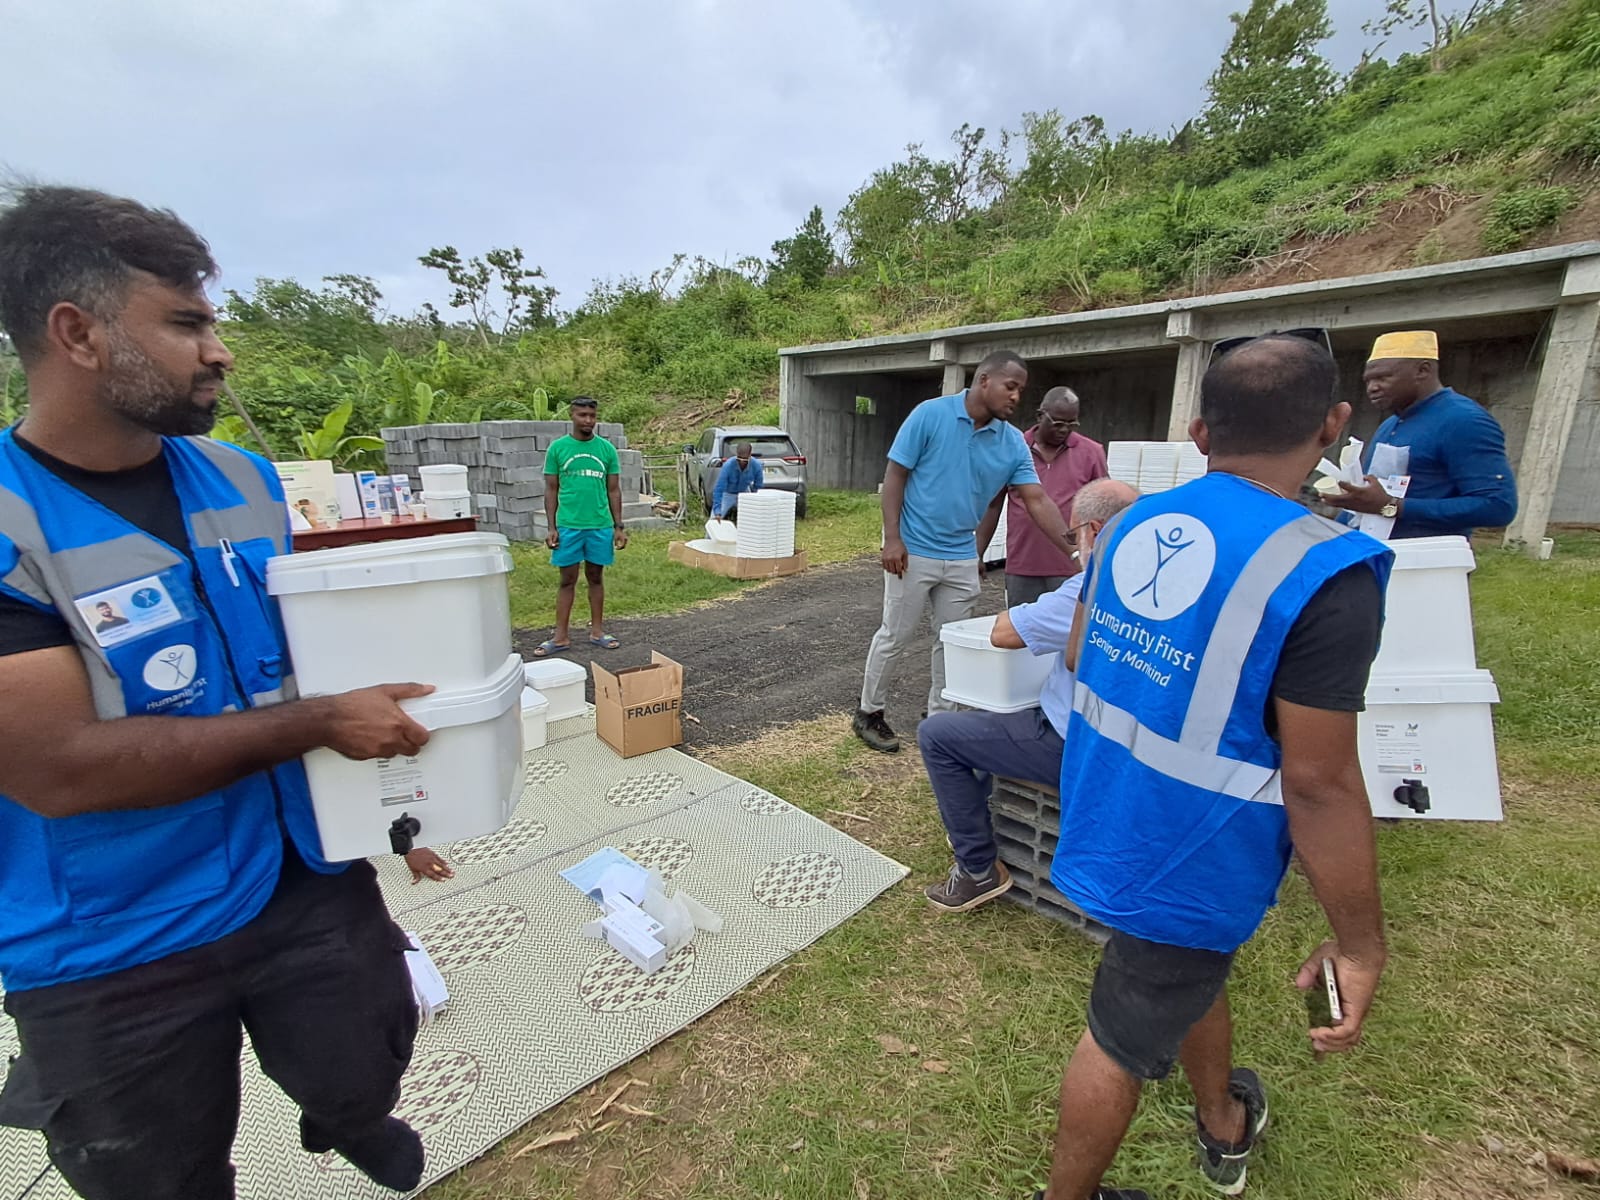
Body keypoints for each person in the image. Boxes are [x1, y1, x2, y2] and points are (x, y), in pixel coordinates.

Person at [0, 185, 432, 1199]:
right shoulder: (13, 526)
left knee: (364, 1042)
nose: (220, 350)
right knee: (157, 1169)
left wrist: (407, 809)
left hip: (296, 868)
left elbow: (299, 658)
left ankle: (349, 1119)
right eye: (186, 324)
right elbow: (59, 769)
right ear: (78, 334)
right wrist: (321, 723)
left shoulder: (242, 479)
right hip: (116, 933)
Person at [1035, 334, 1393, 1200]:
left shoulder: (1130, 521)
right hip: (1194, 846)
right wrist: (1359, 944)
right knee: (1120, 1035)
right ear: (1334, 426)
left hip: (1112, 806)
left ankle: (1221, 1118)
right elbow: (1319, 781)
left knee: (1186, 970)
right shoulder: (1325, 568)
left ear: (1199, 432)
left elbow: (1081, 654)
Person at [920, 479, 1137, 913]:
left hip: (1078, 743)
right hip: (1145, 747)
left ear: (1094, 531)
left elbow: (1003, 634)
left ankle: (977, 869)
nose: (1075, 548)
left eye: (1073, 537)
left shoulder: (1092, 587)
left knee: (939, 734)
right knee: (994, 723)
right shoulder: (1183, 590)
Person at [853, 350, 1080, 754]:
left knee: (951, 641)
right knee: (896, 634)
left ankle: (940, 720)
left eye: (1021, 390)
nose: (1016, 397)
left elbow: (1036, 499)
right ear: (984, 380)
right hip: (913, 551)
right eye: (1011, 387)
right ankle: (869, 712)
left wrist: (1077, 551)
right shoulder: (930, 415)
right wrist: (892, 538)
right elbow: (896, 475)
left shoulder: (1012, 443)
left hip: (961, 555)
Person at [1323, 329, 1517, 539]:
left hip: (1426, 557)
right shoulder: (1390, 425)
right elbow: (1372, 503)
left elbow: (1498, 506)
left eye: (1383, 377)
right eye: (1368, 380)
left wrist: (1392, 507)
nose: (1372, 387)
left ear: (1423, 370)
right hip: (1375, 552)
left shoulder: (1463, 420)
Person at [991, 387, 1108, 606]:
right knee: (1021, 625)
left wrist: (1097, 554)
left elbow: (1103, 507)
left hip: (1071, 566)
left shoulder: (1091, 452)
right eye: (1058, 423)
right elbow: (993, 505)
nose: (1064, 430)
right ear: (1040, 416)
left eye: (1071, 424)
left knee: (1068, 625)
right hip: (1022, 565)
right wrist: (977, 553)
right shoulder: (1015, 447)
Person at [533, 396, 627, 656]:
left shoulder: (606, 450)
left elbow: (614, 490)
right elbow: (551, 489)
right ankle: (560, 637)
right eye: (582, 415)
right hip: (568, 526)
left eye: (592, 416)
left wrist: (618, 526)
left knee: (596, 577)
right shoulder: (558, 449)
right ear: (572, 416)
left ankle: (597, 631)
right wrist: (551, 527)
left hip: (599, 525)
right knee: (567, 580)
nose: (588, 420)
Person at [712, 440, 764, 518]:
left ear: (750, 455)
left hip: (744, 493)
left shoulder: (757, 466)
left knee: (752, 516)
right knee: (715, 518)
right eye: (739, 458)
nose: (742, 462)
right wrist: (717, 511)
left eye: (745, 459)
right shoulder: (728, 465)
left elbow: (758, 487)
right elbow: (719, 488)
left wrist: (754, 501)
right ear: (736, 454)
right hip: (728, 494)